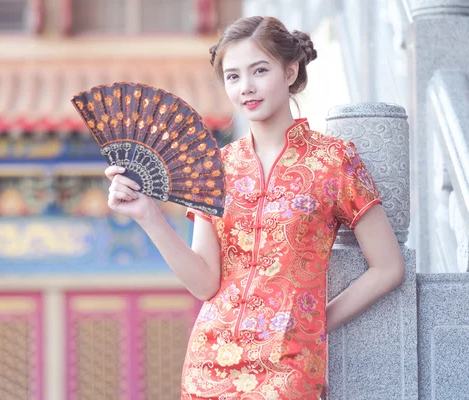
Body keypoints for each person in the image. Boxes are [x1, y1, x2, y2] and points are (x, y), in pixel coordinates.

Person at [104, 15, 405, 400]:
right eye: (233, 76)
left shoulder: (333, 160)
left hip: (289, 366)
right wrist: (148, 215)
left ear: (289, 70)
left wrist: (315, 323)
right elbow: (204, 283)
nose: (246, 87)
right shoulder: (215, 169)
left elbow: (388, 267)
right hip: (209, 364)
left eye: (259, 71)